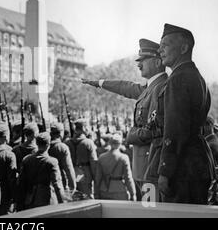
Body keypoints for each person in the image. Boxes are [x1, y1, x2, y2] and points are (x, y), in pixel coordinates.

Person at [82, 38, 168, 198]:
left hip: (151, 167)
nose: (138, 65)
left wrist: (131, 135)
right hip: (145, 167)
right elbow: (125, 86)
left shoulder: (161, 88)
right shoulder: (151, 87)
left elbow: (154, 130)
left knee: (152, 211)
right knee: (149, 210)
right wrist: (99, 83)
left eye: (143, 60)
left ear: (157, 62)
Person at [157, 23, 211, 204]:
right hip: (198, 165)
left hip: (181, 170)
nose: (160, 50)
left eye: (165, 45)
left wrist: (165, 171)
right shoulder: (198, 77)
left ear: (184, 48)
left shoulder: (178, 78)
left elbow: (174, 130)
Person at [17, 132, 65, 211]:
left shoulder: (27, 159)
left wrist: (20, 203)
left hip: (30, 200)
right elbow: (57, 184)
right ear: (48, 145)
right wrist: (62, 203)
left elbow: (21, 182)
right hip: (47, 200)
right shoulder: (52, 161)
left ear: (36, 143)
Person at [94, 134, 136, 201]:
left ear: (110, 143)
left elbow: (98, 177)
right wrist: (133, 193)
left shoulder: (101, 157)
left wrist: (96, 192)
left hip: (104, 190)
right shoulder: (124, 158)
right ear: (120, 144)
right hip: (119, 190)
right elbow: (128, 178)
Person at [65, 119, 98, 198]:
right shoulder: (89, 142)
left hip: (72, 174)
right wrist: (95, 177)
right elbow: (93, 162)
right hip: (85, 174)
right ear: (83, 128)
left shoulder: (67, 143)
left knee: (74, 198)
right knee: (87, 198)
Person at [48, 122, 77, 196]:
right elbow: (68, 168)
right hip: (61, 182)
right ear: (61, 133)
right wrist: (73, 186)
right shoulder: (62, 147)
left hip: (48, 184)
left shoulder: (46, 146)